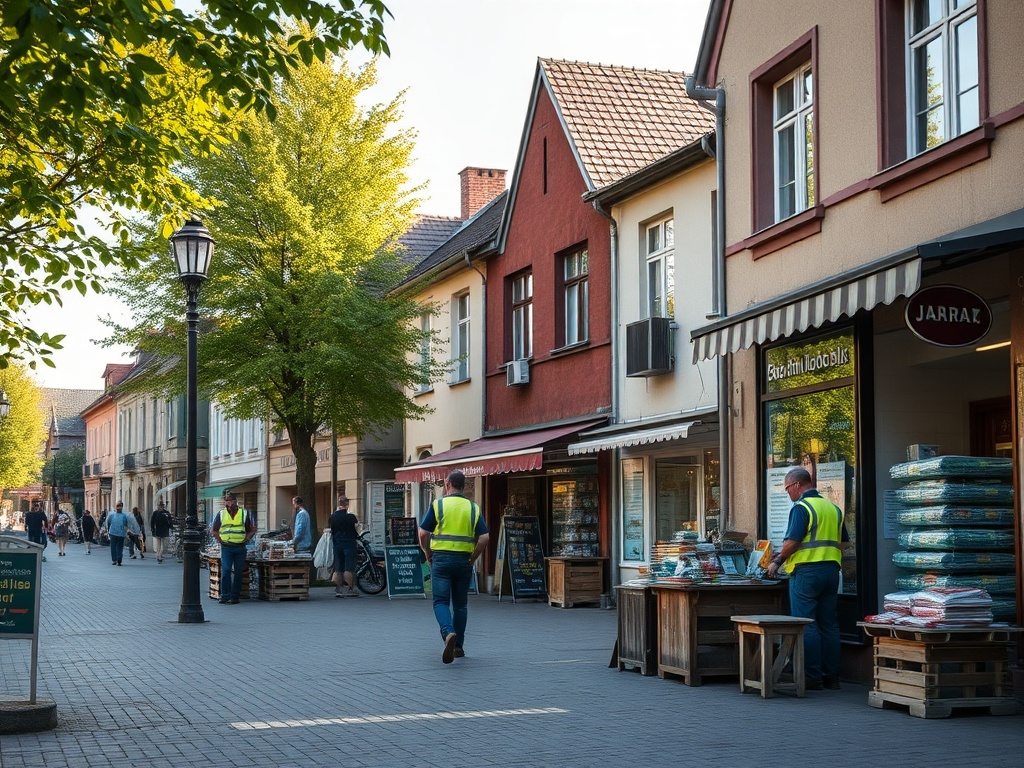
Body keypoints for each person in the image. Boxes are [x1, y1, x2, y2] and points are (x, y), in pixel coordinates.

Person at [766, 466, 849, 691]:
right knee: (829, 625)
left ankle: (812, 677)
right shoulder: (833, 509)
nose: (788, 494)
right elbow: (843, 544)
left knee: (806, 625)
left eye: (787, 489)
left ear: (797, 485)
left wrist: (777, 561)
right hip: (831, 572)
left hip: (807, 573)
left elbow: (792, 541)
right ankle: (832, 677)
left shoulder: (801, 507)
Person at [418, 470, 489, 664]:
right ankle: (458, 647)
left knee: (440, 601)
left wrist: (427, 552)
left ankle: (448, 633)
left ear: (448, 484)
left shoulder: (438, 505)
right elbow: (484, 538)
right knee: (460, 605)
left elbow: (423, 533)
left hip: (441, 559)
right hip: (463, 561)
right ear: (463, 485)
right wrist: (473, 558)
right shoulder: (473, 508)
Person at [210, 493, 256, 604]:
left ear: (235, 501)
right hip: (226, 547)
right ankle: (225, 595)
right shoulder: (221, 514)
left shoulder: (243, 513)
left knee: (238, 572)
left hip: (240, 547)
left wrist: (247, 539)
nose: (228, 503)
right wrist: (220, 541)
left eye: (230, 501)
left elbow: (252, 529)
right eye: (226, 501)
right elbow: (214, 530)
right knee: (226, 570)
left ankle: (235, 596)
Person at [329, 497, 360, 598]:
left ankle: (338, 590)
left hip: (337, 543)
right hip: (349, 543)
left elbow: (332, 530)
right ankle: (350, 589)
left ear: (339, 504)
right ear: (347, 505)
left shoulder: (333, 516)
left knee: (338, 567)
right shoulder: (351, 517)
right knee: (348, 568)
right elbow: (356, 528)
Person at [103, 502, 139, 566]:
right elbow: (128, 524)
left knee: (114, 547)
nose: (119, 508)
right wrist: (131, 531)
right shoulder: (124, 515)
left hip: (114, 533)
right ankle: (118, 559)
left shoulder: (112, 515)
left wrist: (107, 530)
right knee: (119, 547)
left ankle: (115, 560)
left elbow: (108, 523)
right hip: (119, 533)